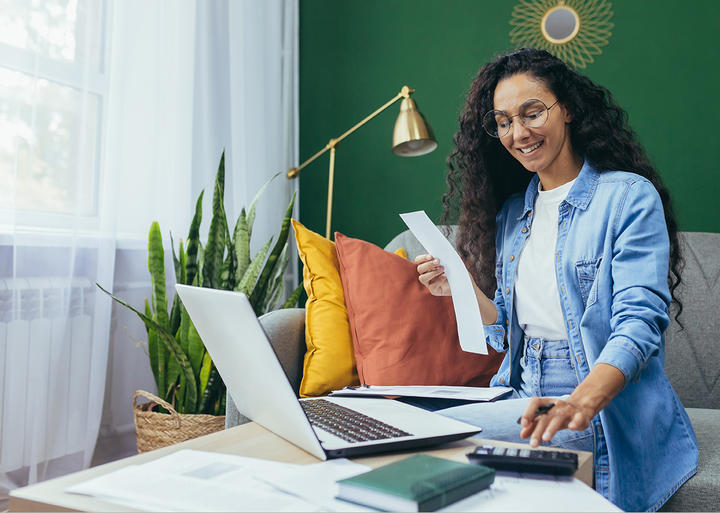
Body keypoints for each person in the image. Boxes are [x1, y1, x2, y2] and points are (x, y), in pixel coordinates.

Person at [415, 48, 698, 512]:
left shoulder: (626, 198)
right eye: (504, 121)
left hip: (597, 401)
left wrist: (580, 403)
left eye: (532, 113)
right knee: (392, 417)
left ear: (566, 107)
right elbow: (507, 333)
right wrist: (461, 286)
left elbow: (639, 325)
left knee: (426, 439)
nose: (518, 133)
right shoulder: (514, 213)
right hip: (524, 391)